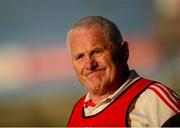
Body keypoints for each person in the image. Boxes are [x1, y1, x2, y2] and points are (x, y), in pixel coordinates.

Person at [66, 16, 180, 127]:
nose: (89, 64)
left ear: (124, 52)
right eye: (80, 57)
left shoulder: (154, 101)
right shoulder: (77, 111)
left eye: (96, 52)